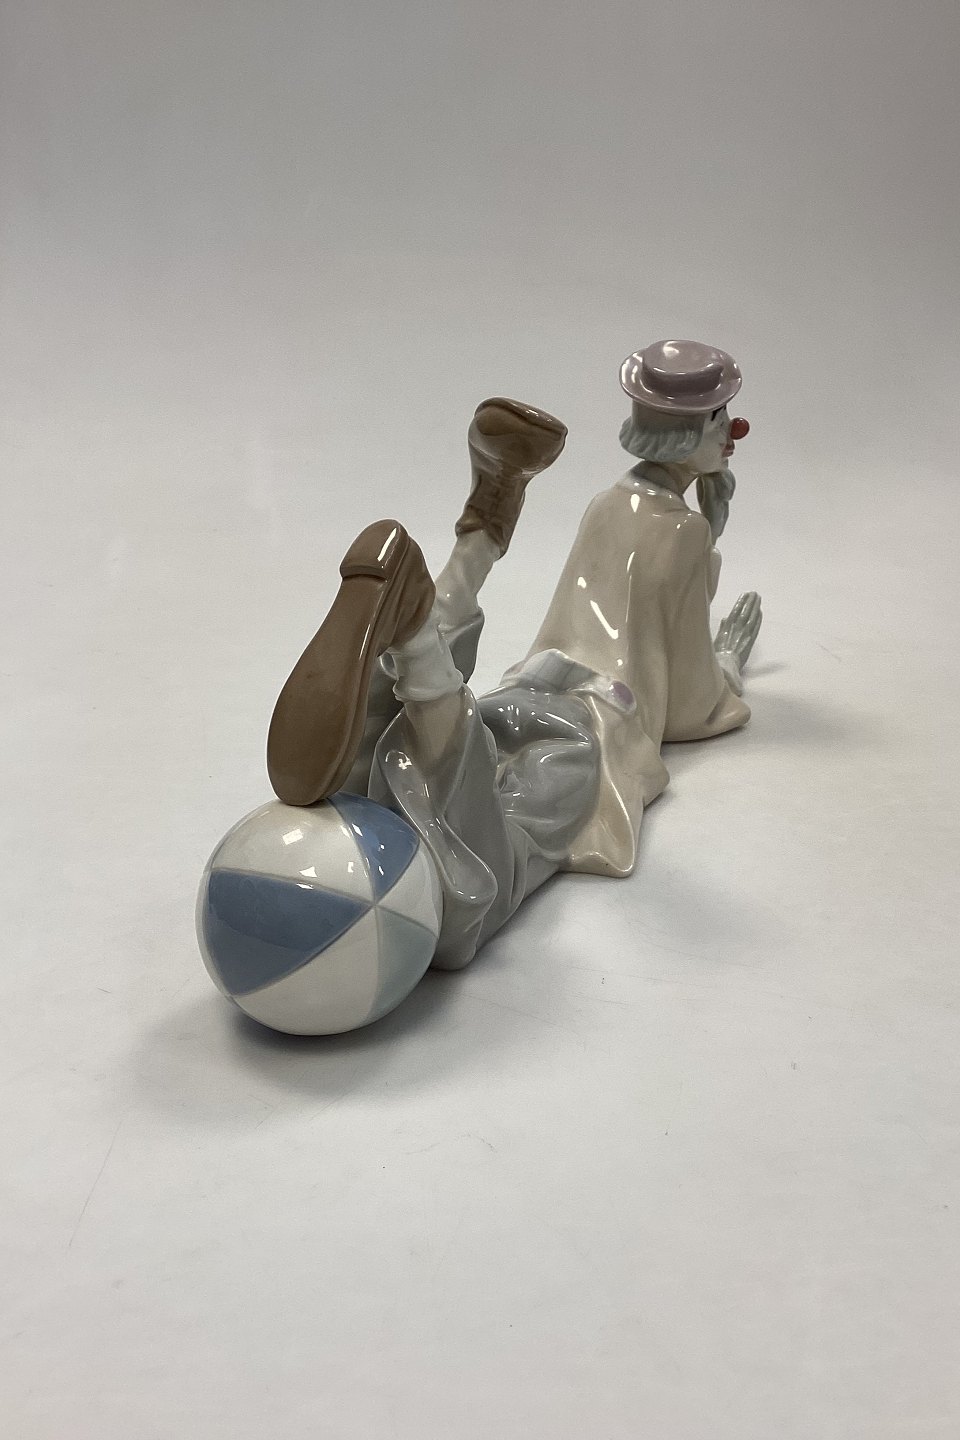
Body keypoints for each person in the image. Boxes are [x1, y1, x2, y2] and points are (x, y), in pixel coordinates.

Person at [266, 341, 762, 969]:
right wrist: (728, 668)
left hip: (524, 686)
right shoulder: (683, 530)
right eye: (720, 418)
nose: (733, 432)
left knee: (391, 776)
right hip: (592, 725)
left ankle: (472, 549)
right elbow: (689, 706)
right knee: (474, 894)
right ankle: (417, 638)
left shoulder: (608, 504)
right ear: (688, 433)